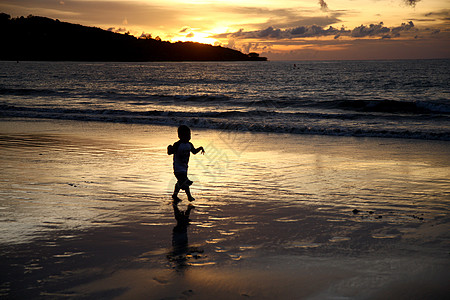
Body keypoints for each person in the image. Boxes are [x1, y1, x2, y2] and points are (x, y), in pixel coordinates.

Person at [168, 125, 205, 202]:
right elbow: (170, 152)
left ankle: (175, 195)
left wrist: (200, 148)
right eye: (186, 135)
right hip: (177, 168)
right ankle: (189, 196)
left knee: (180, 182)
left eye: (189, 135)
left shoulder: (189, 144)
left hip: (184, 167)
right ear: (180, 136)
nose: (188, 137)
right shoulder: (177, 144)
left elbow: (194, 152)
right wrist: (169, 148)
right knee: (185, 182)